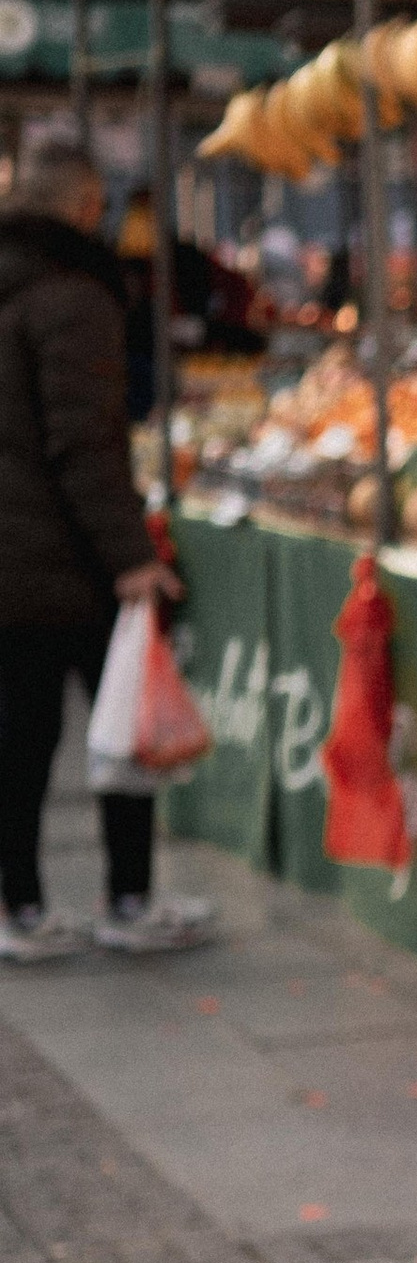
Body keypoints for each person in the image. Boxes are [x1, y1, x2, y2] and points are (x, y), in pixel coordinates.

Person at [0, 147, 215, 964]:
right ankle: (127, 898)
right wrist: (132, 557)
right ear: (87, 204)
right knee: (125, 729)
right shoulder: (73, 297)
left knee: (23, 736)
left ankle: (19, 904)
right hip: (66, 563)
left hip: (14, 559)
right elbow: (86, 444)